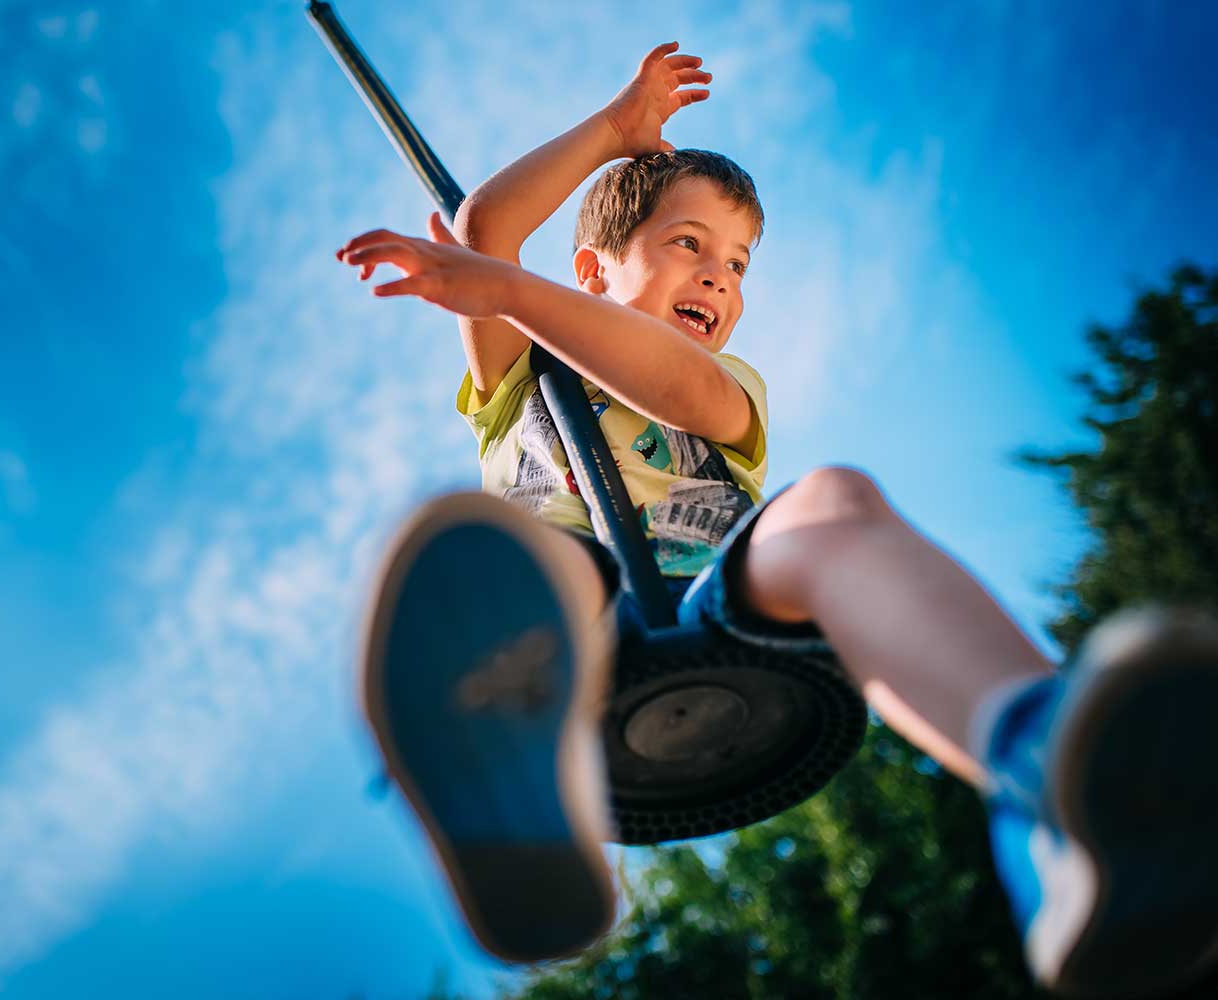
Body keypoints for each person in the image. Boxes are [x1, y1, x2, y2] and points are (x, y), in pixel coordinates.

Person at [336, 42, 1218, 997]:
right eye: (688, 244)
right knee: (512, 559)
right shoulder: (517, 382)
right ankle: (516, 797)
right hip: (576, 654)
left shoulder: (723, 386)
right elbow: (486, 232)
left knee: (833, 502)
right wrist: (613, 134)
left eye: (737, 263)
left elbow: (666, 383)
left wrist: (507, 287)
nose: (719, 277)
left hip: (721, 616)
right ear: (591, 269)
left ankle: (1052, 776)